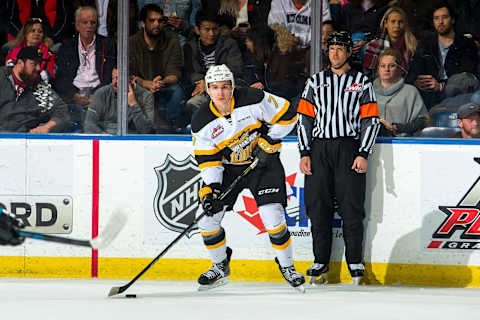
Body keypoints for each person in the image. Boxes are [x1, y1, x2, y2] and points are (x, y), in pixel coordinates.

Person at [191, 64, 305, 290]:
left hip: (263, 164)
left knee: (272, 216)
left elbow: (289, 115)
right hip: (229, 168)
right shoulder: (201, 121)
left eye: (225, 87)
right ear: (207, 89)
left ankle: (288, 266)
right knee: (205, 217)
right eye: (215, 88)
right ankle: (220, 266)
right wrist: (210, 190)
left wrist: (269, 141)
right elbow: (209, 161)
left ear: (233, 87)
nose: (220, 93)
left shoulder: (254, 98)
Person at [296, 31, 380, 284]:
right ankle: (320, 260)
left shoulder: (362, 82)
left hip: (348, 148)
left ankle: (355, 261)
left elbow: (370, 121)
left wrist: (363, 152)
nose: (335, 53)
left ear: (348, 52)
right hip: (319, 150)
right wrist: (304, 152)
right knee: (318, 206)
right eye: (331, 49)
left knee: (351, 206)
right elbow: (304, 120)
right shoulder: (315, 81)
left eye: (340, 49)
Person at [407, 2, 479, 109]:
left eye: (444, 17)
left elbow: (467, 77)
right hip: (429, 95)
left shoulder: (466, 44)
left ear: (452, 20)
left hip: (458, 95)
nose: (440, 22)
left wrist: (441, 86)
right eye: (436, 18)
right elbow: (413, 70)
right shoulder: (426, 44)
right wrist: (416, 81)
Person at [129, 3, 185, 133]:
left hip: (163, 86)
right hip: (139, 85)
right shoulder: (131, 42)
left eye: (160, 21)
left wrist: (161, 82)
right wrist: (144, 83)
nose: (156, 24)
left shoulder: (172, 40)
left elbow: (175, 74)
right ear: (143, 23)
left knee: (176, 92)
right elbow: (127, 73)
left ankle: (173, 130)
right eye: (152, 20)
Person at [184, 11, 244, 116]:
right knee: (192, 104)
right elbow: (191, 72)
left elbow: (235, 69)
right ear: (197, 30)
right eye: (207, 30)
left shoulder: (229, 44)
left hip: (226, 89)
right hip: (201, 89)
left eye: (215, 29)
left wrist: (208, 82)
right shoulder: (190, 47)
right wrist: (202, 82)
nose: (211, 34)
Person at [55, 6, 117, 107]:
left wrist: (97, 95)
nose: (89, 26)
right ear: (77, 25)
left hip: (100, 95)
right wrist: (74, 95)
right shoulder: (67, 47)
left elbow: (109, 76)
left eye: (93, 22)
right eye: (85, 22)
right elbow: (61, 78)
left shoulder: (108, 44)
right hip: (73, 97)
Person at [0, 46, 70, 132]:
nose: (38, 68)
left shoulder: (39, 85)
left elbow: (62, 110)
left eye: (40, 64)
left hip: (27, 139)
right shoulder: (2, 77)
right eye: (34, 64)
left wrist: (46, 127)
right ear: (20, 63)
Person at [373, 48, 428, 137]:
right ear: (378, 69)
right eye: (383, 66)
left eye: (391, 66)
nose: (387, 69)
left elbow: (422, 121)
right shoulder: (368, 92)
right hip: (373, 142)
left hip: (402, 143)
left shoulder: (410, 91)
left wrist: (397, 128)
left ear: (399, 68)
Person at [84, 68, 155, 134]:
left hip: (133, 141)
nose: (114, 82)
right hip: (106, 138)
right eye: (113, 78)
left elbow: (147, 131)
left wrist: (133, 104)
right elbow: (89, 124)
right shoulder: (102, 93)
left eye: (119, 78)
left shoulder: (146, 96)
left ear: (132, 80)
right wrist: (107, 139)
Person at [363, 7, 417, 80]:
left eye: (400, 22)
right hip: (379, 86)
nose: (397, 26)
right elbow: (368, 74)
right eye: (393, 21)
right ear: (385, 24)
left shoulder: (412, 45)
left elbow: (415, 73)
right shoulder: (374, 45)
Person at [5, 18, 56, 83]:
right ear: (25, 34)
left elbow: (52, 71)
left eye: (40, 32)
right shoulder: (14, 50)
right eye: (33, 31)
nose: (36, 34)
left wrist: (44, 74)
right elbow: (8, 66)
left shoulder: (48, 53)